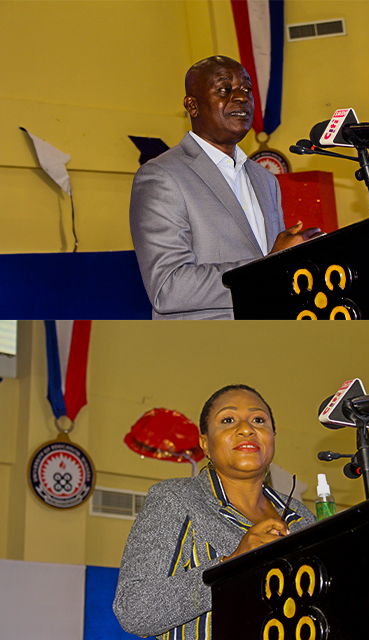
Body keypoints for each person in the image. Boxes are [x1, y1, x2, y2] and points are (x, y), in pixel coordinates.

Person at [114, 384, 316, 638]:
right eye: (228, 419)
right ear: (205, 444)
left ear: (272, 436)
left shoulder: (301, 517)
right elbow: (134, 611)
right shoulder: (176, 499)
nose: (246, 428)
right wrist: (231, 565)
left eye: (258, 420)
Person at [130, 56, 321, 319]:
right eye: (224, 89)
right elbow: (169, 288)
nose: (241, 97)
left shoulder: (265, 180)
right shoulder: (161, 176)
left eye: (247, 89)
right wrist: (270, 265)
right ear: (192, 106)